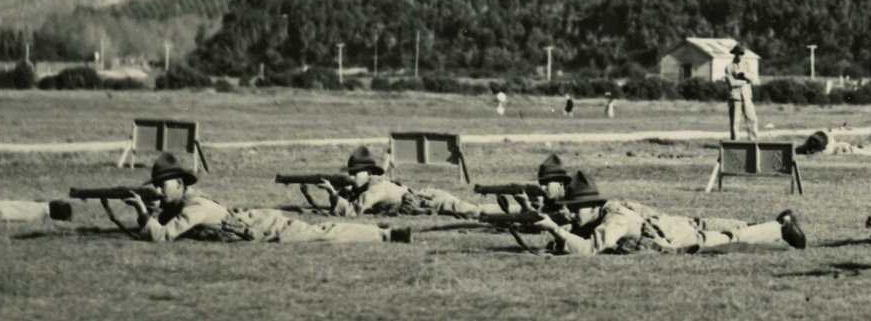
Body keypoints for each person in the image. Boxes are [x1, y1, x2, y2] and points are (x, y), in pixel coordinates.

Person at [123, 153, 405, 244]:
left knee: (322, 232)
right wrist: (153, 210)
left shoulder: (195, 206)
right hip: (252, 221)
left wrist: (142, 211)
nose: (158, 190)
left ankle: (386, 235)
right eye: (156, 186)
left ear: (180, 184)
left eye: (162, 185)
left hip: (262, 227)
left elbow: (162, 236)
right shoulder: (184, 202)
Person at [532, 172, 806, 255]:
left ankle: (781, 228)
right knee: (713, 229)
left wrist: (555, 230)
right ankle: (773, 224)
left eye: (575, 209)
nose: (571, 213)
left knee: (726, 239)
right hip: (669, 227)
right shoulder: (607, 210)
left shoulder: (614, 220)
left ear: (592, 206)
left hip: (674, 238)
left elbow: (590, 249)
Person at [308, 146, 499, 219]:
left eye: (355, 173)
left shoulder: (376, 189)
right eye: (351, 173)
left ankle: (508, 211)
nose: (351, 177)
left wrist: (332, 193)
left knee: (476, 212)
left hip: (432, 200)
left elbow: (352, 212)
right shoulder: (369, 185)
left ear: (369, 174)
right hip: (424, 197)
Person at [725, 45, 760, 141]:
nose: (740, 56)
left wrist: (745, 75)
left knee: (752, 120)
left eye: (741, 54)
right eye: (738, 53)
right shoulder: (729, 67)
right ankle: (735, 143)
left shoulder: (747, 65)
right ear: (734, 54)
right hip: (735, 98)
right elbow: (732, 83)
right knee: (735, 122)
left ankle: (754, 142)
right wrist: (745, 82)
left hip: (747, 97)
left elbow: (753, 79)